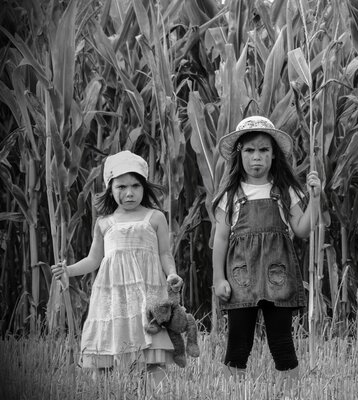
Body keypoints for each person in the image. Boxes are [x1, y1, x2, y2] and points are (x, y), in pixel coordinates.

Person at [51, 150, 184, 387]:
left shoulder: (155, 218)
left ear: (144, 187)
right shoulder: (104, 223)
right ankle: (102, 391)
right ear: (110, 188)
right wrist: (68, 270)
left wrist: (171, 273)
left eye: (135, 185)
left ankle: (159, 392)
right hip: (113, 295)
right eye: (121, 186)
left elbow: (165, 253)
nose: (129, 192)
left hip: (147, 293)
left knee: (152, 353)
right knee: (105, 354)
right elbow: (93, 259)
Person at [211, 116, 321, 390]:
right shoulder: (231, 194)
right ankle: (233, 393)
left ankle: (290, 393)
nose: (256, 157)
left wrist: (316, 198)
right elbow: (221, 239)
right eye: (249, 150)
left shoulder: (286, 190)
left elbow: (303, 228)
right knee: (238, 339)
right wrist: (218, 278)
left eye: (263, 150)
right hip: (241, 277)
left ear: (273, 155)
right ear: (239, 154)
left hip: (277, 275)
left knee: (281, 339)